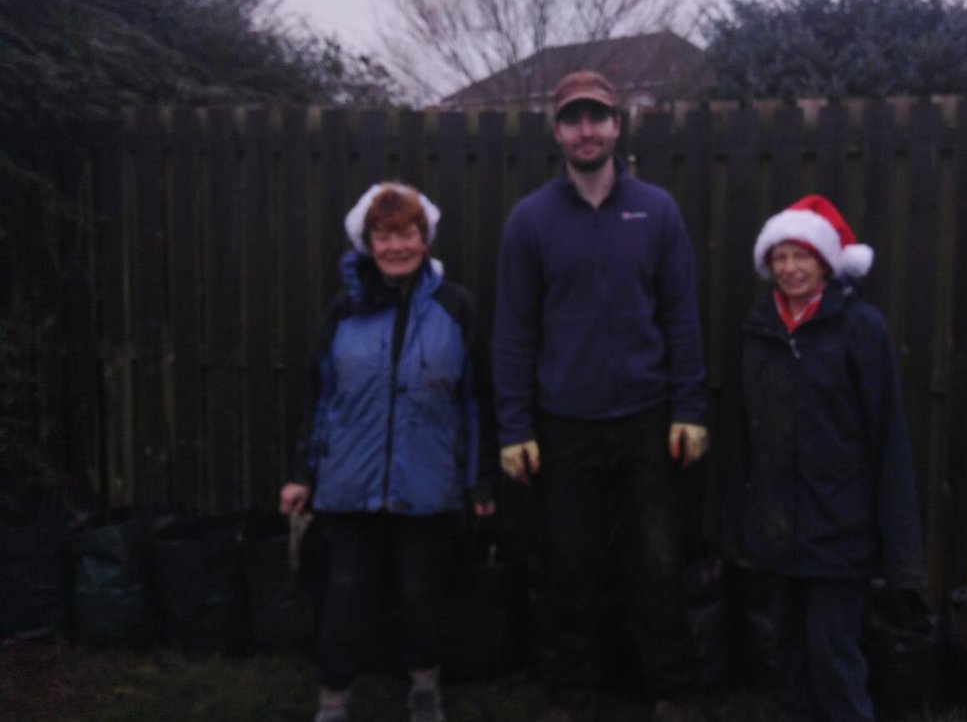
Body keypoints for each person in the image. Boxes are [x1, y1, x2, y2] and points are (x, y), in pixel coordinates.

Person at [492, 70, 708, 722]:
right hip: (564, 422)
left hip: (647, 418)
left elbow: (681, 317)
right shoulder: (530, 219)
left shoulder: (657, 211)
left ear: (617, 125)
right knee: (571, 566)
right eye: (573, 119)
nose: (586, 130)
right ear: (557, 131)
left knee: (658, 560)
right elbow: (514, 331)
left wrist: (690, 408)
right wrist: (513, 425)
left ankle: (670, 690)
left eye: (597, 117)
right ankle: (573, 696)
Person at [279, 182, 493, 722]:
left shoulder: (455, 307)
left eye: (407, 234)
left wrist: (479, 480)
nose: (396, 246)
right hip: (349, 483)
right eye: (384, 236)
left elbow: (474, 402)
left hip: (427, 485)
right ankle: (333, 698)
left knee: (422, 596)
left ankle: (424, 689)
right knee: (344, 595)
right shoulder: (344, 309)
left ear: (425, 239)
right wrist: (302, 474)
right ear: (368, 243)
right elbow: (319, 396)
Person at [725, 194, 925, 722]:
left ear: (826, 264)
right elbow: (745, 434)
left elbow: (887, 434)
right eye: (781, 257)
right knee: (787, 649)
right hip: (777, 525)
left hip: (840, 526)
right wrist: (741, 524)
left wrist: (899, 547)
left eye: (802, 256)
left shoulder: (861, 327)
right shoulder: (759, 329)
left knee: (834, 653)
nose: (790, 268)